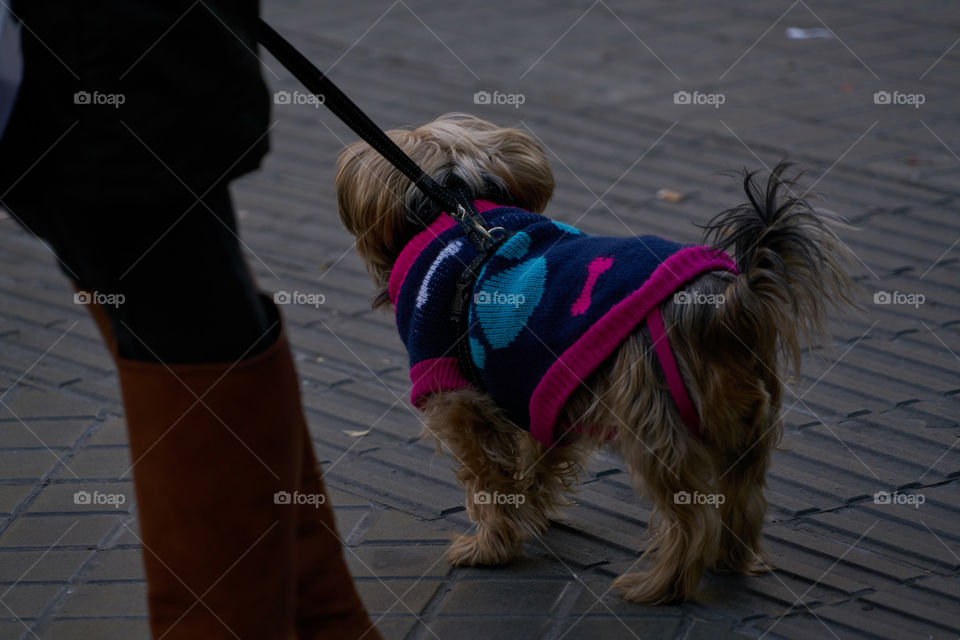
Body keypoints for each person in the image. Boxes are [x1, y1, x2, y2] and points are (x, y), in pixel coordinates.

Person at [0, 2, 381, 638]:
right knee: (188, 308)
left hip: (107, 63)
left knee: (187, 306)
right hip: (106, 58)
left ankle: (322, 621)